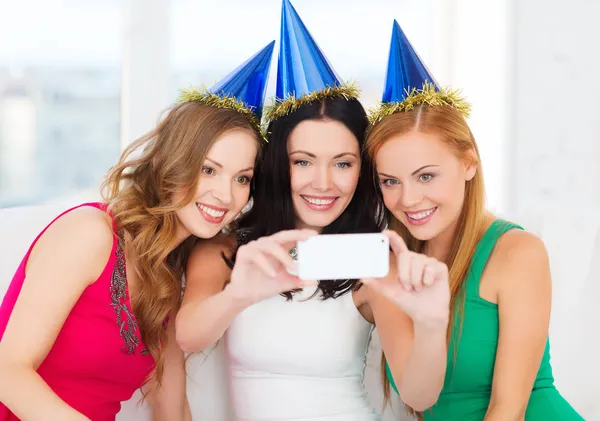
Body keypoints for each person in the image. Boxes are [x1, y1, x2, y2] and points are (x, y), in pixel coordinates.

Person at [176, 2, 450, 420]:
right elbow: (188, 335)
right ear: (276, 164)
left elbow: (420, 394)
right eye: (303, 161)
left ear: (363, 170)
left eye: (343, 163)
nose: (323, 182)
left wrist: (431, 324)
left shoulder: (370, 261)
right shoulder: (229, 250)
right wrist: (239, 295)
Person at [0, 41, 275, 421]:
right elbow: (8, 372)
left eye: (242, 178)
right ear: (171, 162)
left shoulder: (171, 275)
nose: (226, 194)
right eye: (208, 170)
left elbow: (172, 407)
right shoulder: (91, 233)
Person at [365, 19, 584, 421]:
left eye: (426, 175)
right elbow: (416, 394)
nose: (408, 199)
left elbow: (509, 409)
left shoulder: (517, 252)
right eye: (390, 181)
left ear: (469, 163)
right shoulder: (390, 267)